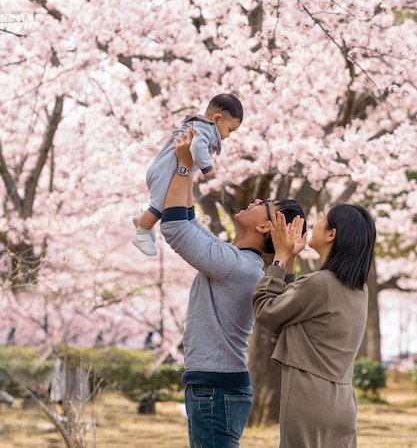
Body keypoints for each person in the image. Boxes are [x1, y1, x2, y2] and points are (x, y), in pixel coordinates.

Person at [160, 127, 306, 448]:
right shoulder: (237, 261)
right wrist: (189, 166)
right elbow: (187, 221)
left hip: (216, 390)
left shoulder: (234, 265)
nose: (255, 200)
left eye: (263, 203)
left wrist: (184, 167)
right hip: (217, 388)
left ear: (264, 226)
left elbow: (174, 227)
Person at [252, 203, 377, 448]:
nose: (316, 222)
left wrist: (278, 259)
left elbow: (266, 310)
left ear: (332, 234)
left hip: (309, 400)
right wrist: (289, 260)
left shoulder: (319, 284)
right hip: (343, 403)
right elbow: (293, 306)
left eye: (321, 217)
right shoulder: (359, 289)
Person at [133, 93, 244, 256]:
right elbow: (197, 148)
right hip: (164, 171)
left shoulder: (201, 126)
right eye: (229, 129)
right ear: (217, 118)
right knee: (161, 205)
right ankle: (142, 233)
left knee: (165, 202)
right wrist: (207, 168)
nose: (227, 136)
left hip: (164, 170)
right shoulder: (204, 128)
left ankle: (142, 218)